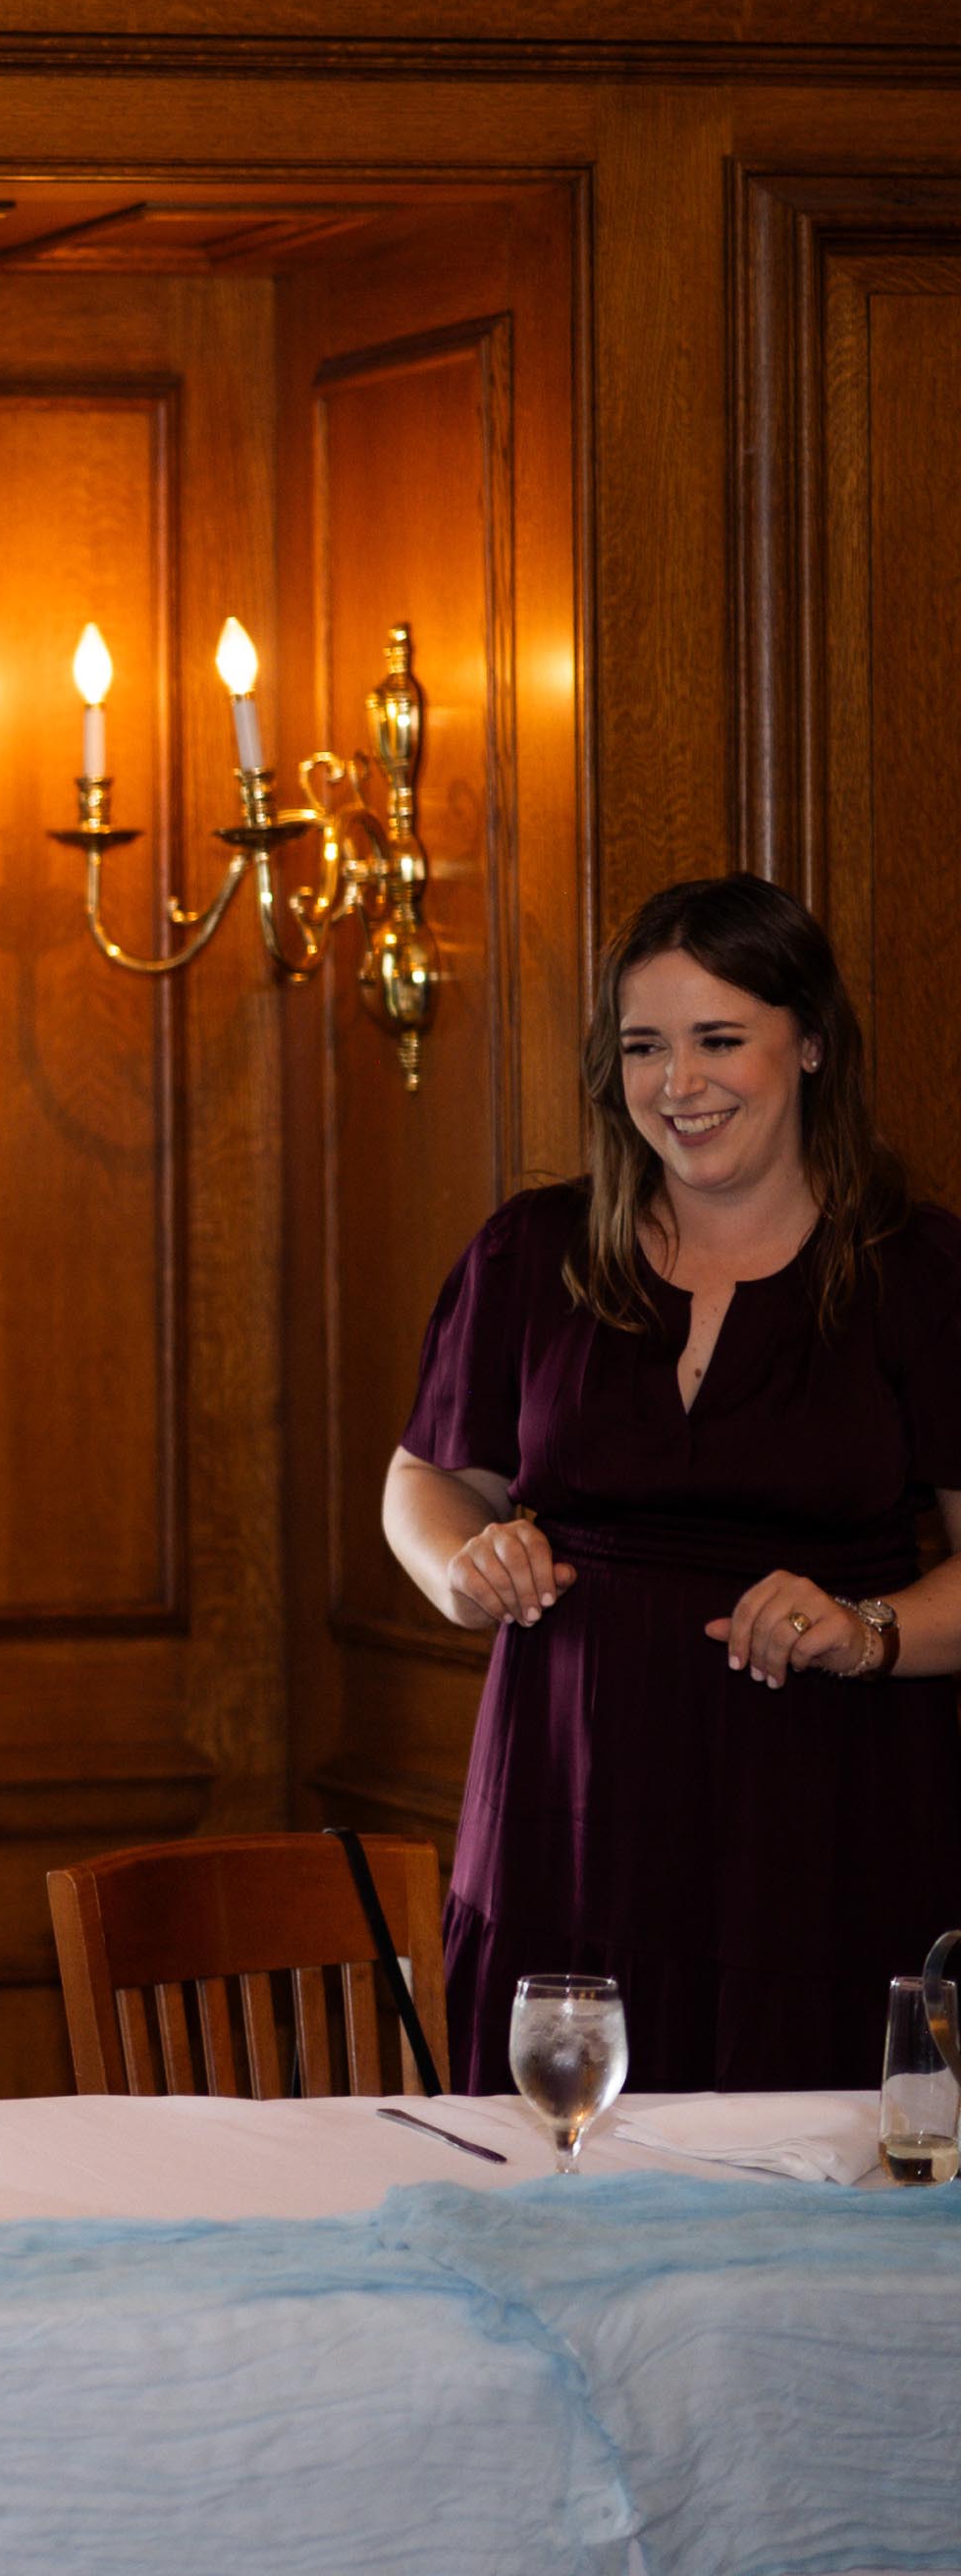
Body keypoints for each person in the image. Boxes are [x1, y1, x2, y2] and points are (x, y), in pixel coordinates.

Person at [386, 874, 961, 2092]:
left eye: (717, 1039)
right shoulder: (528, 1250)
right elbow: (422, 1484)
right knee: (546, 2192)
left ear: (808, 1042)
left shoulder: (920, 1268)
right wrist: (461, 1560)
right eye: (644, 1046)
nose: (676, 1084)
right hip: (566, 1816)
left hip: (828, 1826)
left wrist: (867, 1630)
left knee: (821, 2228)